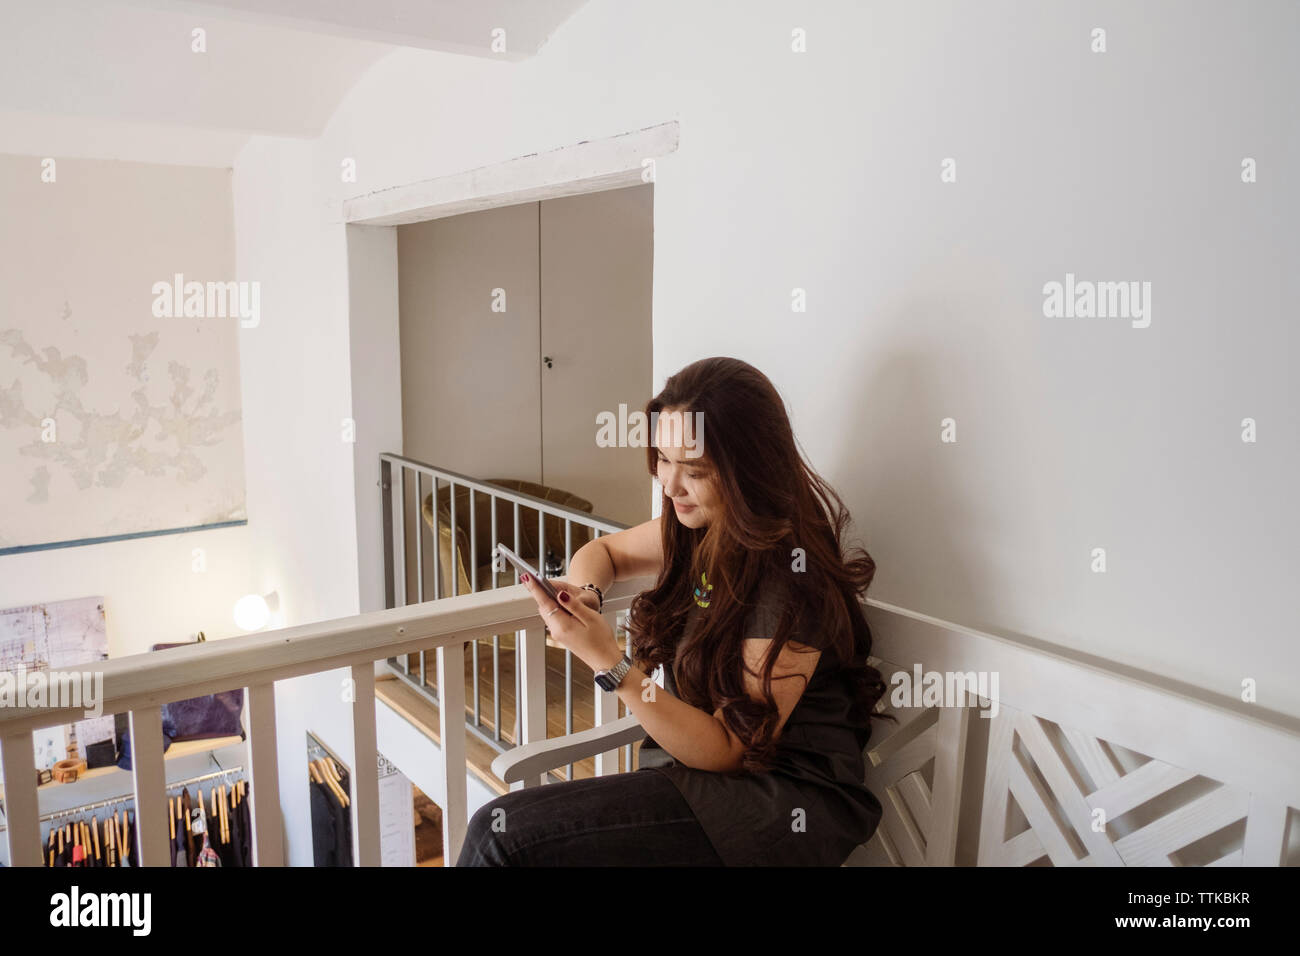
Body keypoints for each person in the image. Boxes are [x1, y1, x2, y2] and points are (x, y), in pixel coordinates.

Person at [456, 356, 894, 867]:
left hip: (776, 802)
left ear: (748, 471)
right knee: (504, 835)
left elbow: (731, 748)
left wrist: (612, 665)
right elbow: (606, 552)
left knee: (499, 835)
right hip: (696, 779)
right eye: (663, 458)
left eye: (696, 470)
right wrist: (587, 595)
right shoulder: (699, 528)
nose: (670, 485)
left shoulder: (788, 583)